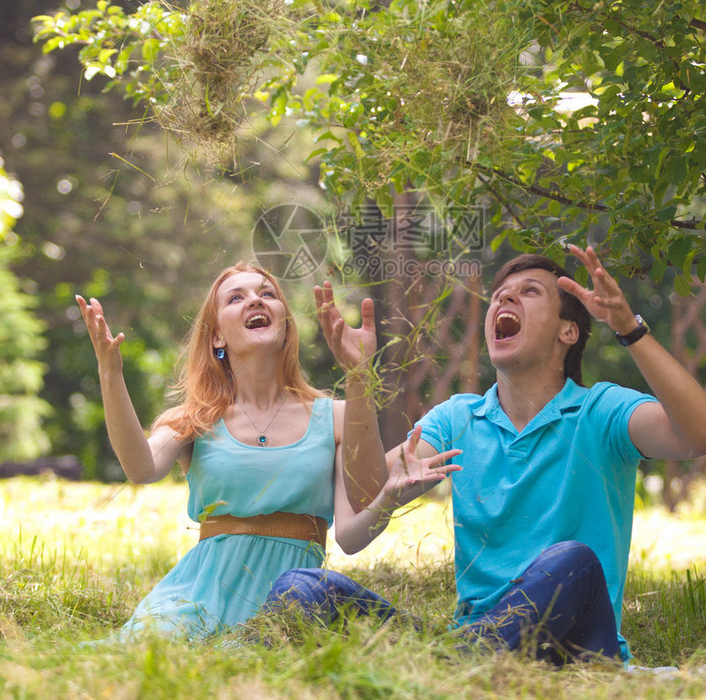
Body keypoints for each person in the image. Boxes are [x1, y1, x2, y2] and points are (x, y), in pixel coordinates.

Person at [264, 245, 706, 664]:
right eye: (500, 295)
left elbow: (700, 434)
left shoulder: (601, 411)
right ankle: (460, 662)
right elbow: (363, 496)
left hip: (577, 648)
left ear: (569, 330)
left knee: (574, 561)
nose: (505, 301)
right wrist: (358, 376)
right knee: (301, 587)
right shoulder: (458, 418)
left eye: (529, 292)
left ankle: (448, 666)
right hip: (471, 641)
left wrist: (627, 327)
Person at [75, 263, 451, 640]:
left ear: (286, 323)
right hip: (195, 599)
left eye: (267, 293)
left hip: (289, 600)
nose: (255, 299)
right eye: (236, 297)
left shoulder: (334, 417)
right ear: (217, 337)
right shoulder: (195, 417)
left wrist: (360, 376)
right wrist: (110, 374)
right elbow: (141, 468)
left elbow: (351, 538)